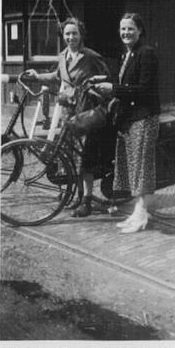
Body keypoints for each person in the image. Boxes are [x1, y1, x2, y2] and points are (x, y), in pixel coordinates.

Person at [25, 17, 111, 218]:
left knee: (84, 157)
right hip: (66, 111)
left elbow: (108, 79)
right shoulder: (63, 55)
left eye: (74, 33)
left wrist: (96, 90)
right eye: (67, 34)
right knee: (70, 157)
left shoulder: (91, 57)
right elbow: (57, 76)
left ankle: (87, 201)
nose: (71, 37)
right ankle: (76, 195)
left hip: (85, 111)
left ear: (81, 35)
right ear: (63, 36)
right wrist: (37, 76)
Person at [95, 12, 160, 233]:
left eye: (130, 28)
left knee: (140, 167)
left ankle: (141, 215)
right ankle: (137, 212)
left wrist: (114, 89)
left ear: (140, 30)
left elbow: (144, 89)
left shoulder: (146, 53)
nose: (126, 33)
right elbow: (126, 83)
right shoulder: (128, 54)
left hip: (143, 117)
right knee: (131, 167)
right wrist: (107, 83)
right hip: (129, 118)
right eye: (123, 29)